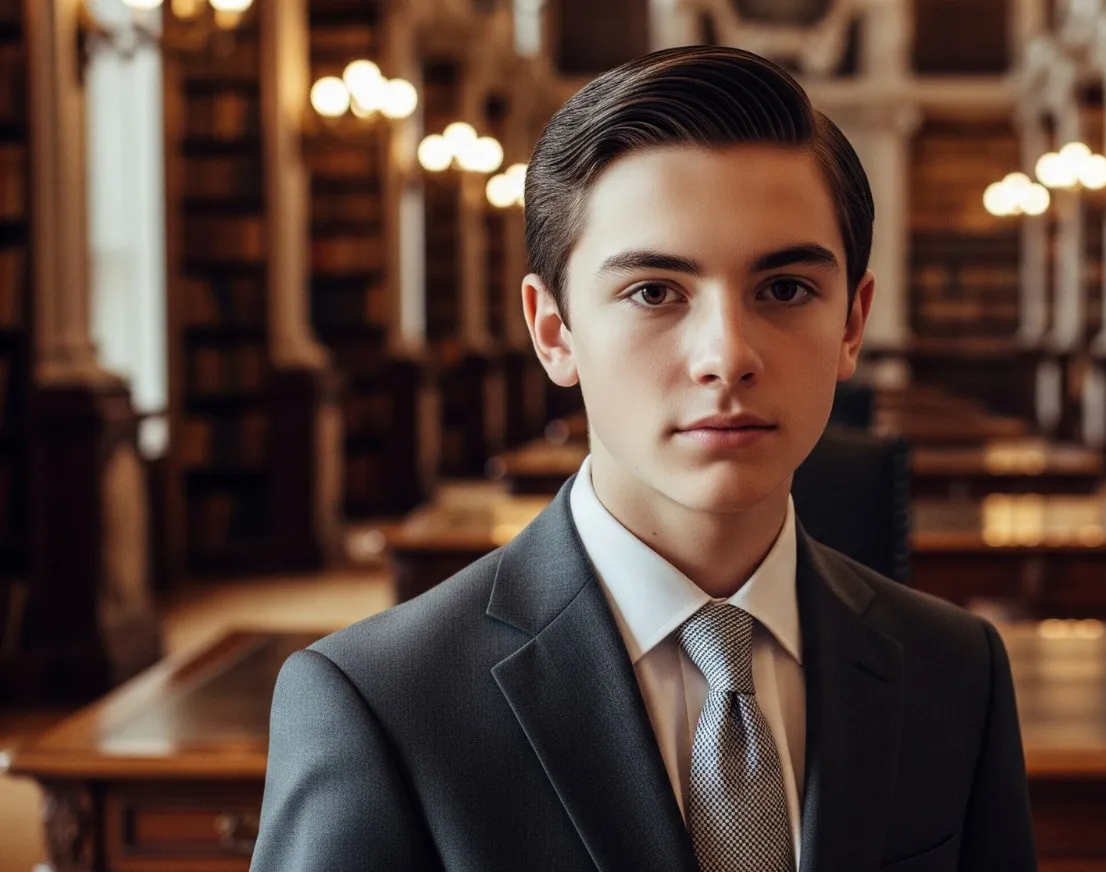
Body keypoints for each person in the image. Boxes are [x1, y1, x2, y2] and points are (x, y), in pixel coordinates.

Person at [251, 45, 1036, 872]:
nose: (726, 357)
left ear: (851, 323)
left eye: (785, 290)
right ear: (554, 330)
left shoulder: (956, 670)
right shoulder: (379, 702)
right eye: (654, 292)